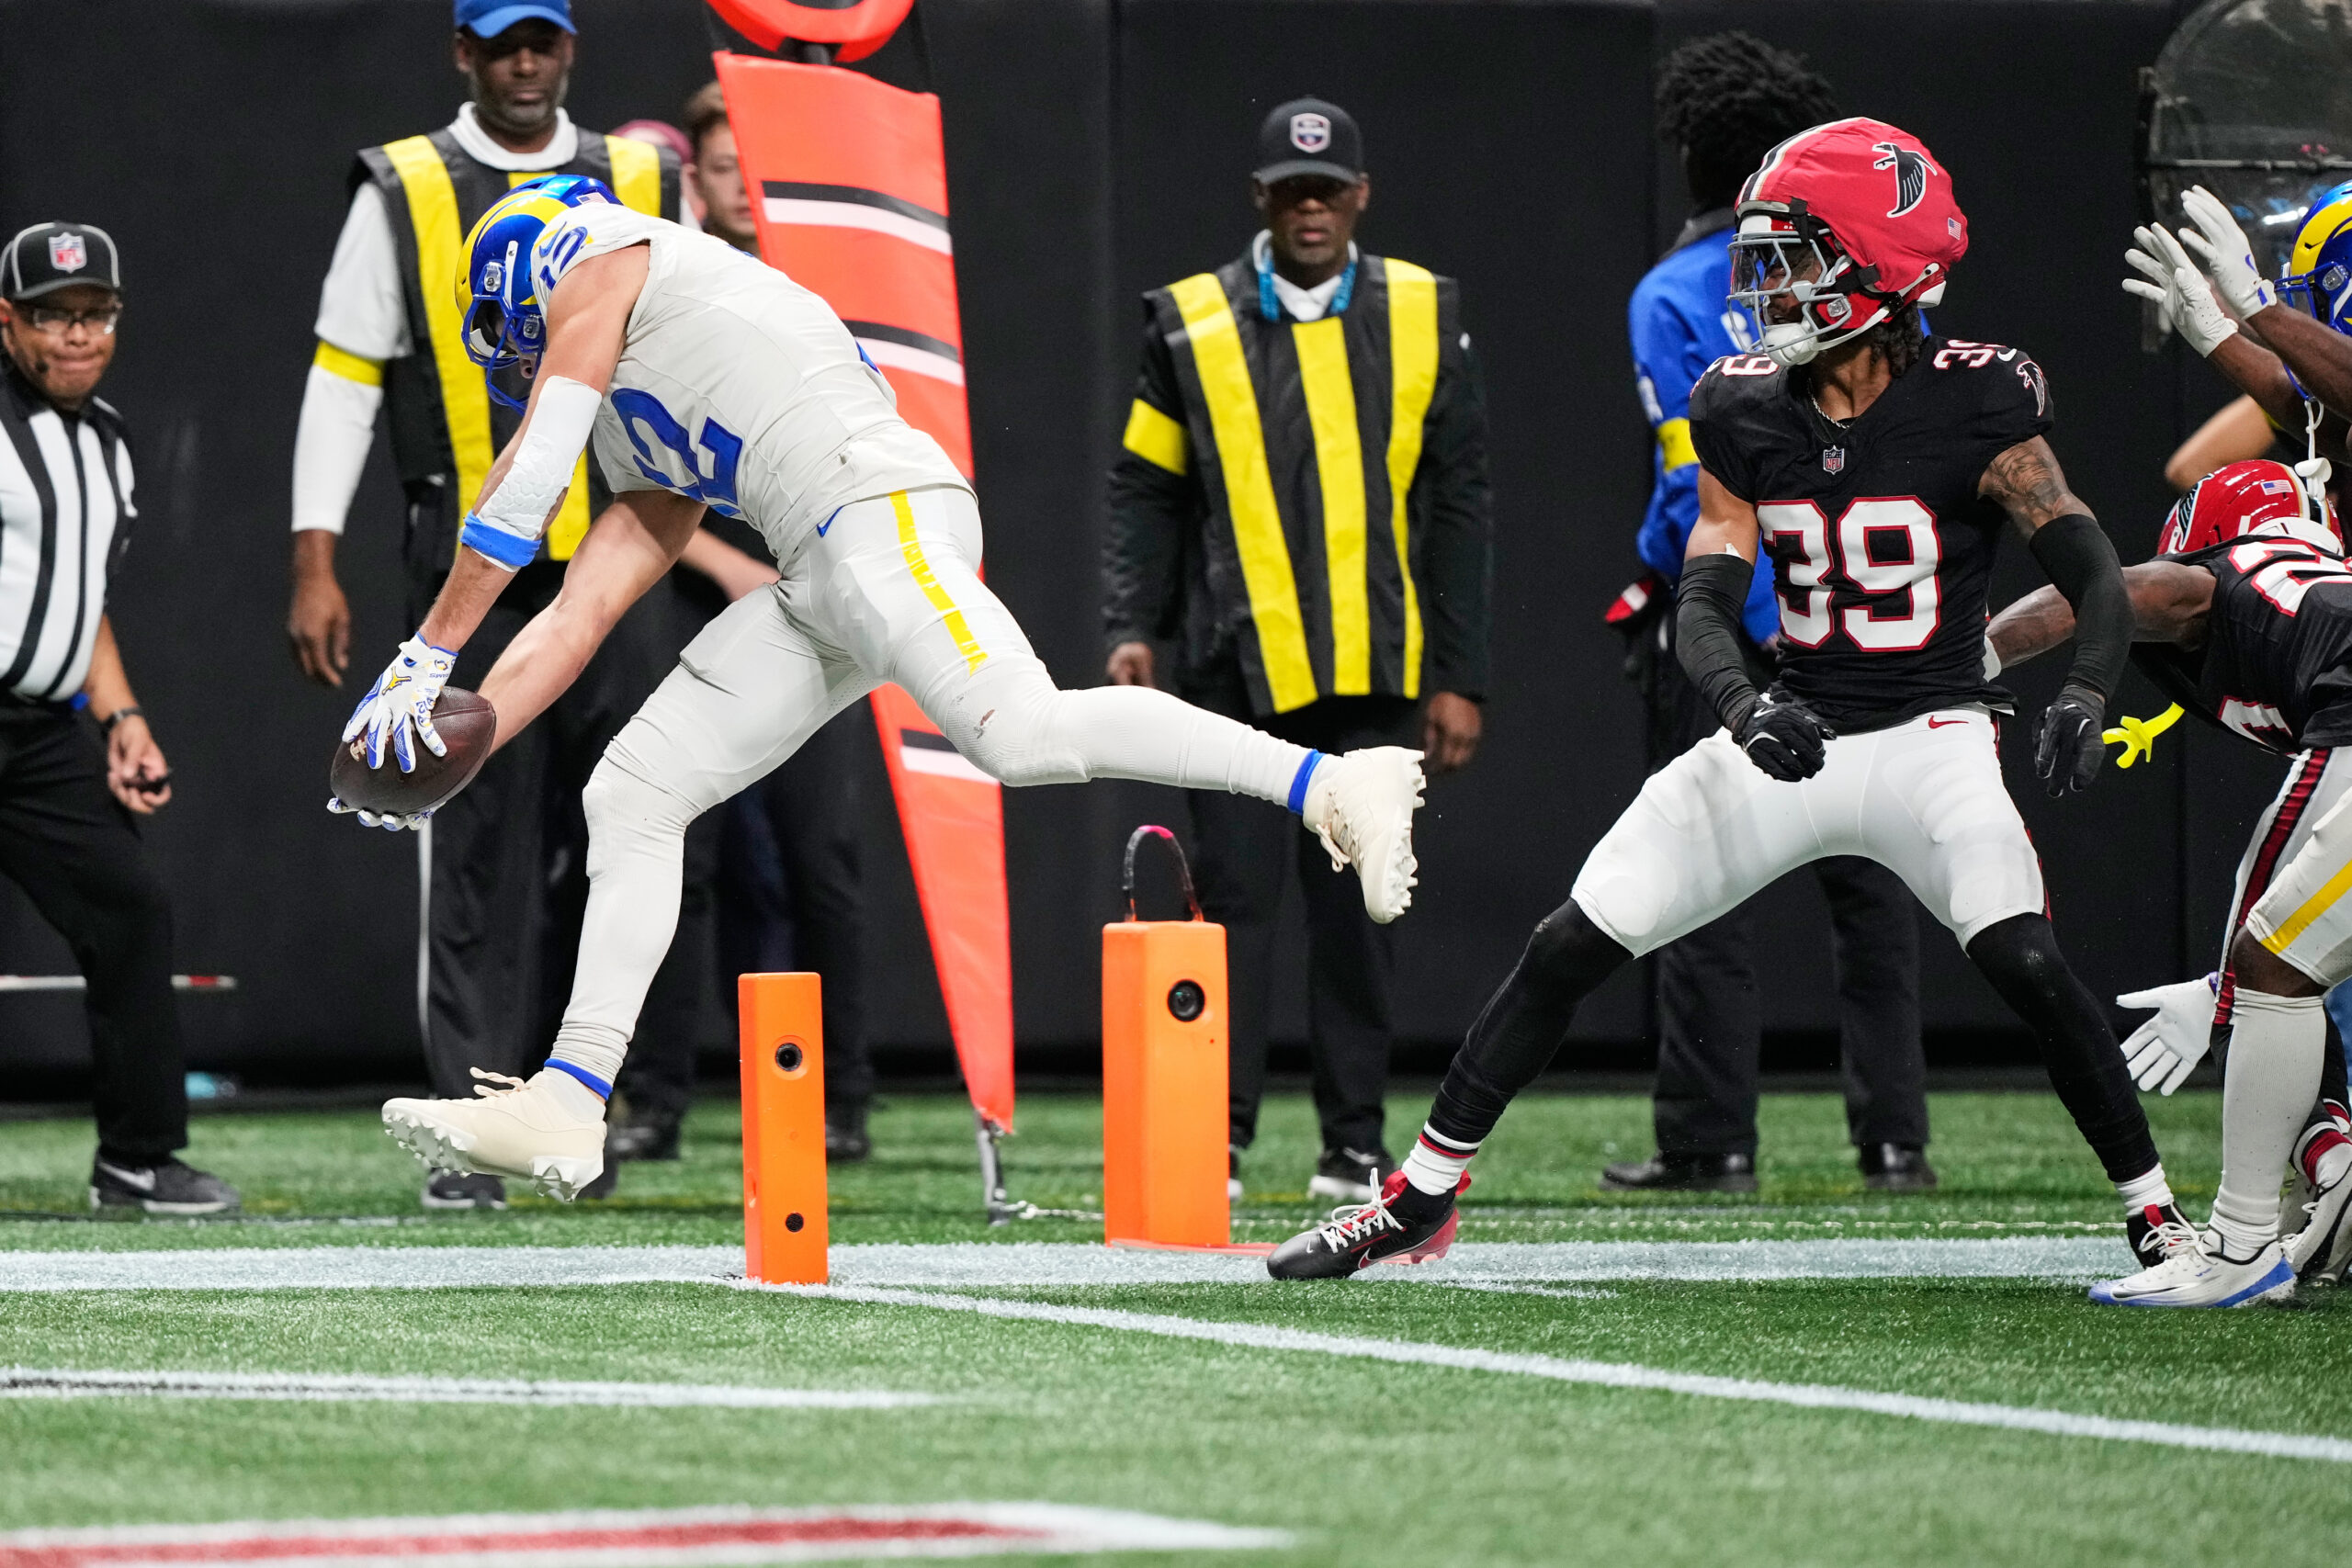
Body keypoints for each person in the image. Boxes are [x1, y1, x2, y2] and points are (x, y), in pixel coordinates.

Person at [352, 175, 1428, 1199]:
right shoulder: (637, 409)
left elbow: (529, 479)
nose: (531, 368)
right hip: (819, 567)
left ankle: (1332, 783)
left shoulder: (603, 251)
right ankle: (572, 1097)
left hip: (878, 510)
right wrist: (456, 754)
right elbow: (574, 619)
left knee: (1021, 732)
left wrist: (424, 659)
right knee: (632, 792)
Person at [1267, 118, 2186, 1281]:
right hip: (1791, 731)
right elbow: (1703, 595)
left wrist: (2088, 691)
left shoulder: (1980, 399)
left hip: (1932, 739)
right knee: (1569, 939)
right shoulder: (1743, 404)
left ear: (1882, 265)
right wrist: (1745, 707)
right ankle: (1418, 1196)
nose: (1762, 287)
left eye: (1792, 256)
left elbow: (2094, 569)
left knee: (2024, 960)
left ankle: (2156, 1213)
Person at [281, 0, 689, 1209]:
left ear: (571, 49)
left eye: (544, 41)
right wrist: (315, 555)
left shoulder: (640, 174)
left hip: (615, 560)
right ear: (463, 52)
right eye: (503, 42)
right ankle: (471, 1122)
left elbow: (697, 342)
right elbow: (345, 374)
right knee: (469, 851)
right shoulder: (405, 185)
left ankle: (573, 1108)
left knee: (624, 822)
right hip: (468, 574)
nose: (525, 64)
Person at [1102, 97, 1491, 1203]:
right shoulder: (1189, 319)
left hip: (1373, 665)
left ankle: (1352, 1146)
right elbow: (1146, 489)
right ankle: (1211, 1137)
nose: (1308, 208)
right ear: (1259, 198)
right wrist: (1132, 624)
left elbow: (1463, 503)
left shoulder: (1422, 310)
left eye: (1327, 190)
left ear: (1360, 196)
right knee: (1229, 907)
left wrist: (1460, 676)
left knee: (1362, 909)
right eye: (1289, 190)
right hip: (1234, 664)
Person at [1611, 32, 1932, 1196]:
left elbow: (1679, 488)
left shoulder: (1673, 294)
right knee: (1879, 878)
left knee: (1702, 878)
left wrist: (1658, 584)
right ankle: (1894, 1141)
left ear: (1703, 161)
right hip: (1869, 614)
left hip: (1741, 621)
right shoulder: (1881, 286)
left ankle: (1712, 1139)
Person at [1986, 459, 2352, 1304]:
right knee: (2292, 949)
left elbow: (2098, 590)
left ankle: (2238, 1248)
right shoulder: (2318, 587)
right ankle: (2328, 1153)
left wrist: (1975, 654)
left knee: (2271, 958)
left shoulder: (2221, 576)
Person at [610, 81, 879, 1163]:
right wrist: (722, 561)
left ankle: (846, 1099)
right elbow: (633, 474)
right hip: (685, 592)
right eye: (725, 169)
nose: (745, 189)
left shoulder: (821, 290)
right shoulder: (672, 293)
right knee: (674, 835)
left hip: (815, 591)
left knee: (823, 855)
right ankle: (654, 1097)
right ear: (696, 182)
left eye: (760, 169)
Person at [0, 223, 234, 1215]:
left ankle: (138, 1161)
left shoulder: (109, 443)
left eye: (95, 313)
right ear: (8, 322)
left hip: (42, 733)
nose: (78, 334)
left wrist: (123, 715)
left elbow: (80, 600)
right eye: (54, 315)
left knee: (130, 909)